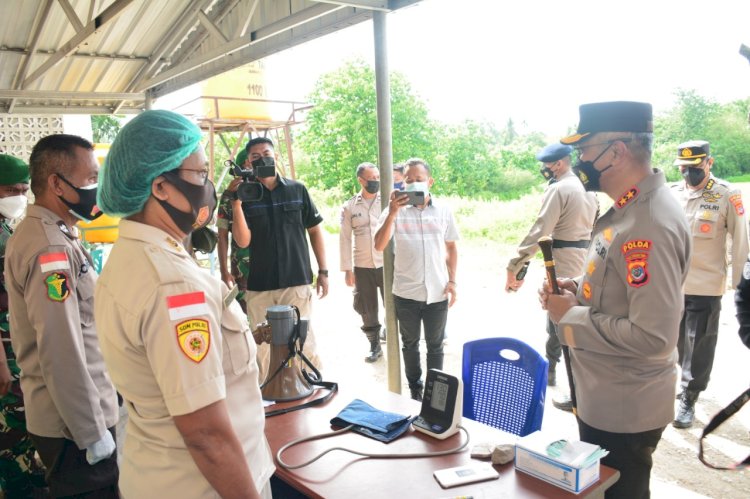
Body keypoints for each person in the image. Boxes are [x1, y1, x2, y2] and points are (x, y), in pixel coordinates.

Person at [95, 110, 274, 498]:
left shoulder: (131, 257)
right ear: (160, 186)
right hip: (205, 487)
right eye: (200, 174)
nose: (209, 186)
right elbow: (206, 435)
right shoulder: (172, 285)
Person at [541, 101, 691, 499]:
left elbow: (654, 336)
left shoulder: (649, 224)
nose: (581, 160)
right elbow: (619, 291)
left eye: (585, 150)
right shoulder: (628, 211)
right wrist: (576, 291)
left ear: (617, 151)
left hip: (625, 408)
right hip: (607, 395)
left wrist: (570, 317)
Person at [5, 135, 119, 497]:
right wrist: (91, 433)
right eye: (89, 180)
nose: (95, 189)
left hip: (75, 417)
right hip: (72, 428)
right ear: (56, 183)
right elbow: (61, 349)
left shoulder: (57, 233)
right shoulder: (49, 248)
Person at [226, 137, 328, 383]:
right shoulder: (245, 196)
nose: (262, 158)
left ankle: (309, 385)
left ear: (276, 156)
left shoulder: (297, 189)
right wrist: (237, 204)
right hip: (259, 282)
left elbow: (314, 230)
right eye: (255, 156)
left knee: (302, 338)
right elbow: (242, 242)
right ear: (248, 163)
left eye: (266, 153)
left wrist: (323, 271)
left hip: (296, 279)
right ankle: (266, 391)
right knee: (261, 344)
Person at [505, 143, 598, 411]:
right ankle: (562, 376)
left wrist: (516, 263)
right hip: (585, 259)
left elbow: (540, 230)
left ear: (558, 164)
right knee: (576, 319)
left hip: (562, 259)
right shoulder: (586, 188)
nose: (544, 170)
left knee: (559, 320)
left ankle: (562, 378)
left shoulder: (560, 188)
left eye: (547, 165)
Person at [670, 140, 748, 429]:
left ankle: (690, 394)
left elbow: (741, 241)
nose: (688, 174)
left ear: (709, 163)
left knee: (699, 343)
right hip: (672, 284)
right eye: (684, 169)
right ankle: (681, 381)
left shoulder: (727, 194)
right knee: (676, 342)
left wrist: (741, 285)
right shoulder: (671, 193)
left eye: (694, 168)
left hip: (705, 284)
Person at [374, 158, 459, 401]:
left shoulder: (443, 210)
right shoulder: (395, 211)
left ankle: (436, 393)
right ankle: (415, 389)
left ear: (430, 181)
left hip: (437, 291)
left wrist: (452, 281)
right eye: (408, 181)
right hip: (406, 293)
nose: (413, 185)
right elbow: (379, 245)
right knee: (409, 344)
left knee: (436, 345)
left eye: (419, 180)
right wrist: (392, 213)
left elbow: (451, 247)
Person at [0, 154, 47, 497]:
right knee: (11, 423)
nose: (19, 195)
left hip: (13, 344)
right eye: (10, 189)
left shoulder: (6, 228)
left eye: (22, 188)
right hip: (3, 352)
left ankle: (24, 474)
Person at [340, 162, 385, 363]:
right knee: (366, 307)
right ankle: (374, 344)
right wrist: (347, 269)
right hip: (362, 265)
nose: (375, 181)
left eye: (377, 177)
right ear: (361, 180)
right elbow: (345, 238)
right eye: (371, 178)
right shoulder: (350, 206)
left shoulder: (388, 201)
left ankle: (393, 336)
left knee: (393, 304)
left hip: (387, 264)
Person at [217, 148, 251, 312]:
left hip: (269, 268)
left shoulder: (267, 189)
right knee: (242, 315)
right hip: (241, 272)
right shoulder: (229, 195)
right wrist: (224, 272)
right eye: (248, 162)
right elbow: (222, 235)